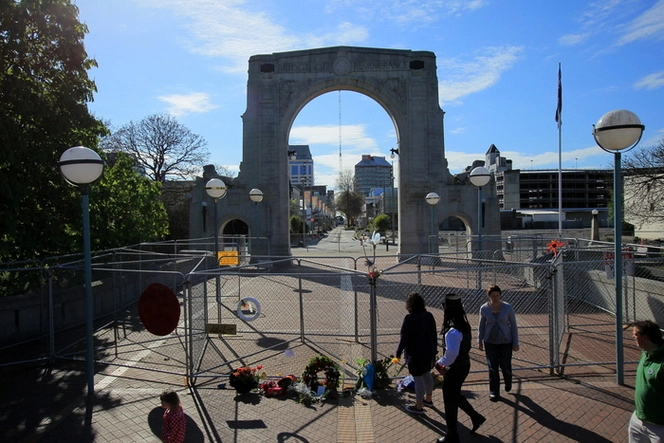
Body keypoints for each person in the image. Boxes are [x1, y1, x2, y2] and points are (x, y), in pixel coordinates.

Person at [435, 293, 486, 443]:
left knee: (449, 400)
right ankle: (476, 417)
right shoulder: (464, 325)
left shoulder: (452, 331)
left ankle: (452, 434)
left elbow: (451, 354)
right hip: (464, 365)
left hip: (455, 368)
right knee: (455, 394)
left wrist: (440, 362)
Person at [395, 292, 437, 415]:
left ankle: (418, 406)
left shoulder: (410, 318)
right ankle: (428, 399)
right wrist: (434, 351)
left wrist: (398, 352)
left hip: (415, 352)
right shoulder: (429, 316)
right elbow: (433, 334)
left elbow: (404, 337)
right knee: (427, 374)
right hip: (428, 351)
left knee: (418, 377)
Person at [477, 285, 520, 401]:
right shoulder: (484, 308)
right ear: (489, 296)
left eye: (497, 295)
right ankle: (494, 391)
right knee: (493, 367)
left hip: (506, 341)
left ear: (500, 296)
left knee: (505, 365)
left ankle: (508, 381)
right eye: (493, 296)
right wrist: (479, 340)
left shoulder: (507, 308)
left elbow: (513, 326)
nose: (495, 298)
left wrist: (515, 343)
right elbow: (481, 326)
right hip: (490, 341)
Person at [628, 320, 664, 442]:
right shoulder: (646, 352)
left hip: (659, 426)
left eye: (635, 334)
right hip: (638, 418)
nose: (632, 336)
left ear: (645, 338)